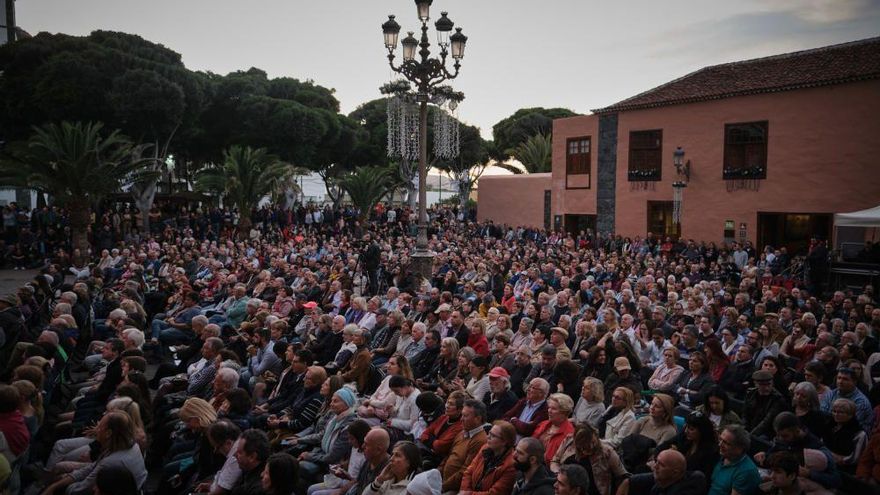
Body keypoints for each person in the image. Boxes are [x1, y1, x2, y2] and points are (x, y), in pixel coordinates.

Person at [40, 411, 147, 495]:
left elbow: (79, 490)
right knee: (60, 468)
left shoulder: (111, 462)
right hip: (127, 487)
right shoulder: (127, 444)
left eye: (100, 427)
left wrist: (57, 487)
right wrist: (55, 485)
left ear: (108, 433)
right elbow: (90, 468)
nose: (96, 430)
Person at [550, 424, 628, 495]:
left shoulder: (607, 452)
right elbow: (555, 461)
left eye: (593, 442)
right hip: (567, 489)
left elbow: (624, 478)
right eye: (584, 447)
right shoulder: (569, 441)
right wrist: (559, 475)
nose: (591, 447)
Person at [655, 410, 720, 485]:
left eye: (691, 429)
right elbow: (661, 447)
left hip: (687, 483)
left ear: (702, 431)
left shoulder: (711, 451)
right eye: (686, 427)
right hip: (667, 475)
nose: (686, 431)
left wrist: (675, 456)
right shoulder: (684, 436)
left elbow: (699, 476)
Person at [439, 399, 489, 493]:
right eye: (462, 415)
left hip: (455, 489)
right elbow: (449, 456)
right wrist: (436, 473)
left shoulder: (480, 441)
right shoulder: (462, 433)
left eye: (465, 416)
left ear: (478, 419)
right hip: (443, 482)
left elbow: (465, 471)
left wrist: (442, 487)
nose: (461, 419)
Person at [460, 420, 518, 495]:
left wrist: (468, 494)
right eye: (489, 433)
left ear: (504, 442)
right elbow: (469, 472)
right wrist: (465, 491)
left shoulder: (511, 465)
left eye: (493, 436)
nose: (488, 437)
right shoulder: (485, 448)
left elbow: (495, 493)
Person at [617, 449, 707, 495]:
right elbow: (628, 481)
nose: (655, 467)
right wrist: (627, 482)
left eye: (661, 465)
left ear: (674, 473)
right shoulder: (664, 477)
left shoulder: (685, 490)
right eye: (656, 462)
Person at [708, 425, 761, 495]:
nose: (720, 444)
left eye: (726, 443)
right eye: (720, 439)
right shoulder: (723, 456)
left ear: (740, 448)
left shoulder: (746, 472)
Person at [531, 393, 576, 465]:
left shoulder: (569, 435)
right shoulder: (543, 424)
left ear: (564, 412)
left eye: (554, 408)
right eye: (549, 407)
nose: (549, 410)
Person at [744, 370, 789, 439]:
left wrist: (750, 435)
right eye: (762, 385)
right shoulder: (750, 394)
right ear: (755, 384)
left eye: (769, 384)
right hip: (751, 426)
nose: (766, 388)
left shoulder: (777, 399)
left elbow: (767, 421)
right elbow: (745, 414)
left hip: (767, 431)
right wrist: (744, 429)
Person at [231, 429, 271, 495]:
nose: (235, 455)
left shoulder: (258, 488)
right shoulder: (248, 468)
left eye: (240, 452)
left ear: (252, 457)